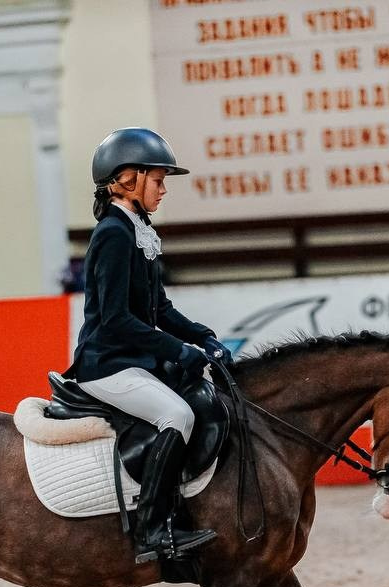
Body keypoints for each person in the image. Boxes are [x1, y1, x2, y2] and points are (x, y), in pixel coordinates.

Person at [65, 127, 230, 564]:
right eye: (158, 181)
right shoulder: (113, 235)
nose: (163, 190)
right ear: (127, 179)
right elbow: (117, 320)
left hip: (132, 359)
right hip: (106, 364)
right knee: (176, 414)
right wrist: (179, 352)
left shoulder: (138, 230)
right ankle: (152, 530)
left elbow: (158, 308)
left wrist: (202, 336)